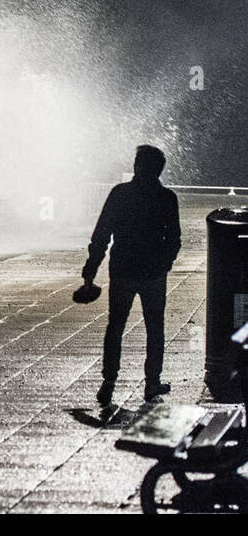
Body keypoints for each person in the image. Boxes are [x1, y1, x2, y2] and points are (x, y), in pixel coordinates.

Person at [81, 145, 181, 405]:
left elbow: (102, 233)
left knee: (116, 326)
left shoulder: (120, 194)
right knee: (154, 328)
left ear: (138, 166)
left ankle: (109, 382)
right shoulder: (167, 198)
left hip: (123, 270)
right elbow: (174, 239)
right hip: (153, 273)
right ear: (159, 169)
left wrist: (92, 267)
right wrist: (165, 264)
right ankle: (152, 383)